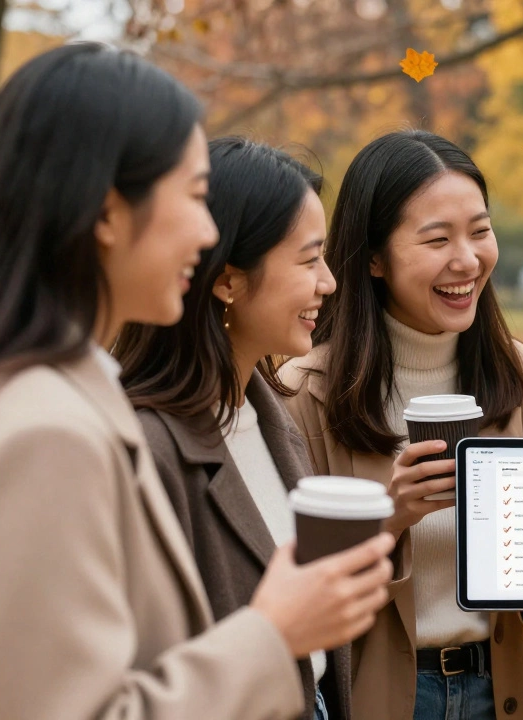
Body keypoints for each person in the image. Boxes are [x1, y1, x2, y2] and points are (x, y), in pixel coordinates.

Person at [0, 45, 392, 720]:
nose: (207, 234)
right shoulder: (41, 433)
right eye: (195, 197)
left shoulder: (60, 397)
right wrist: (273, 634)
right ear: (107, 213)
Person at [279, 129, 523, 720]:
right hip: (374, 696)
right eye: (437, 239)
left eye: (480, 231)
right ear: (373, 257)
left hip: (501, 691)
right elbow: (284, 587)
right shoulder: (306, 392)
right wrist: (392, 515)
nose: (467, 260)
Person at [114, 137, 349, 719]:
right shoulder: (146, 450)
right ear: (227, 281)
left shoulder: (270, 415)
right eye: (309, 259)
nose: (330, 282)